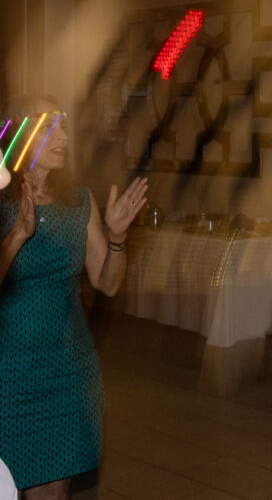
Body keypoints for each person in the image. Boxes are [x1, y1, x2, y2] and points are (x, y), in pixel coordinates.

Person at [0, 98, 148, 498]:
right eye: (51, 126)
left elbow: (107, 282)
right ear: (19, 135)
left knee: (53, 491)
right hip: (9, 372)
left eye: (64, 125)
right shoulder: (0, 203)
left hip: (69, 368)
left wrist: (117, 238)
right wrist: (16, 235)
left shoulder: (79, 200)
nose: (64, 136)